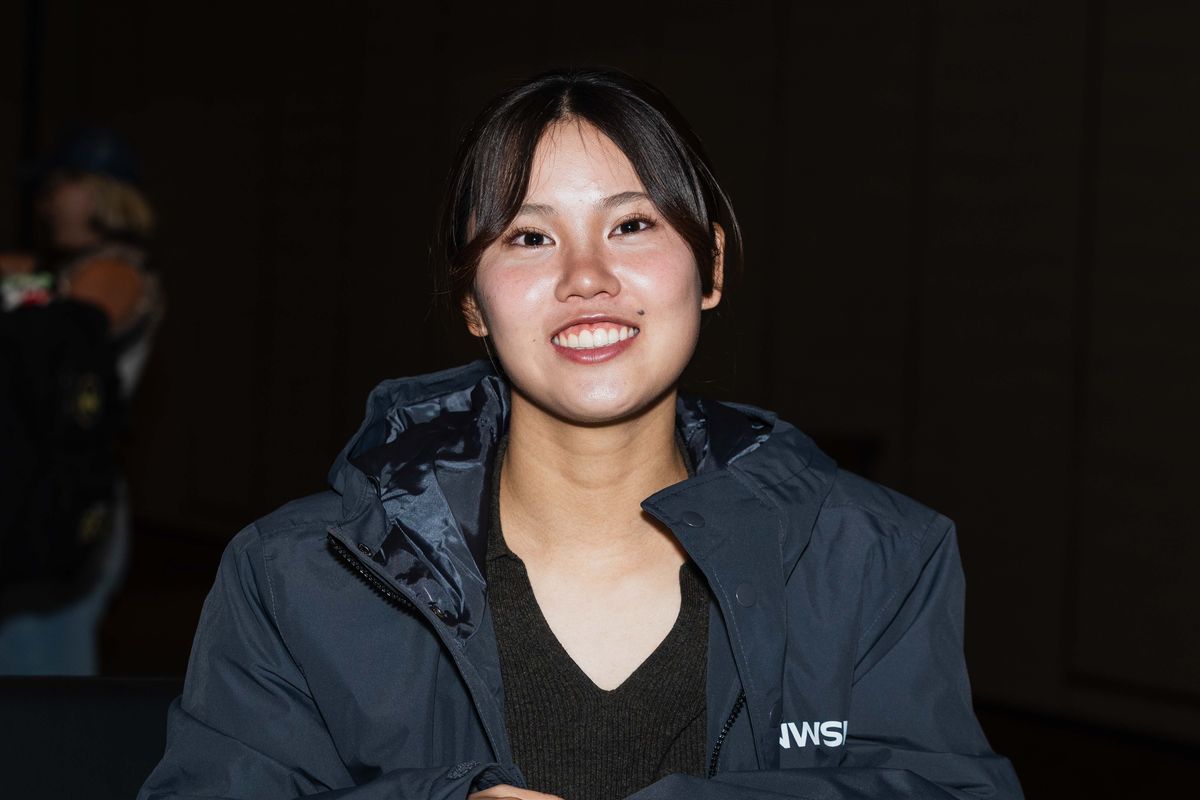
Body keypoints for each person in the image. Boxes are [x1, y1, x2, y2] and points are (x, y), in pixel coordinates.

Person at [139, 68, 1022, 799]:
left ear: (710, 265)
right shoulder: (297, 576)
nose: (587, 277)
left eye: (631, 225)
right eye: (528, 238)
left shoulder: (874, 559)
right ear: (471, 305)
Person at [0, 128, 163, 675]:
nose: (44, 202)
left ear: (93, 191)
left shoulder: (117, 271)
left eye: (56, 188)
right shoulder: (63, 269)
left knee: (45, 677)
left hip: (67, 487)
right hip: (32, 478)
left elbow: (70, 331)